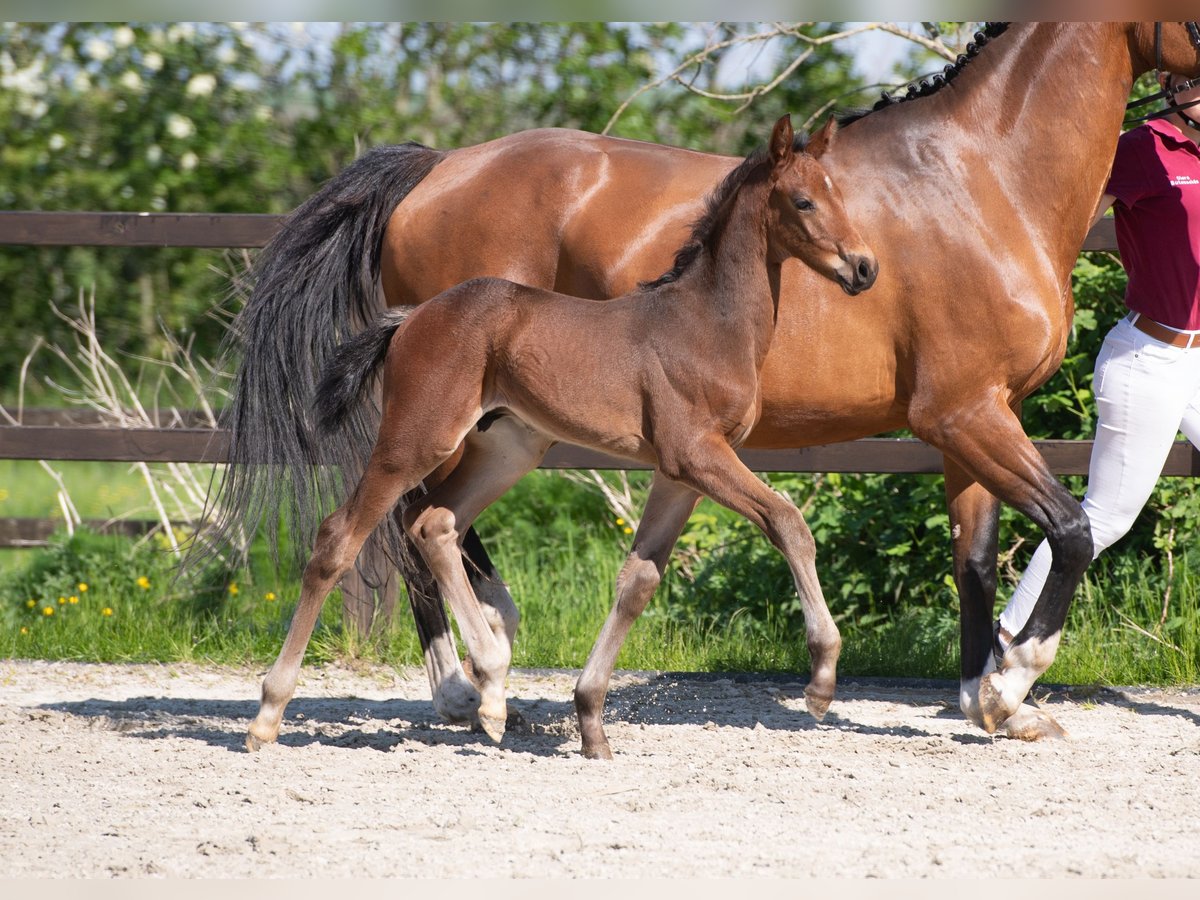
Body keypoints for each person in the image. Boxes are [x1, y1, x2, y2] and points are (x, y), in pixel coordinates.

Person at [996, 71, 1200, 655]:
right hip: (1151, 359)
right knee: (1105, 518)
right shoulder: (1141, 150)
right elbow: (1058, 224)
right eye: (1194, 79)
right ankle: (1007, 639)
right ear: (1168, 86)